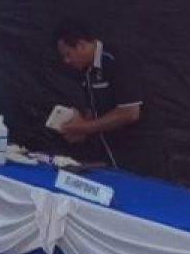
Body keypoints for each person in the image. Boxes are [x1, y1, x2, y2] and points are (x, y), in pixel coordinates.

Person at [53, 18, 167, 176]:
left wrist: (86, 127)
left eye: (68, 54)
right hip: (109, 152)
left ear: (81, 45)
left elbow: (130, 112)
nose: (66, 61)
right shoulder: (84, 70)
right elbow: (94, 108)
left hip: (139, 152)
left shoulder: (118, 60)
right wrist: (79, 125)